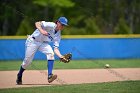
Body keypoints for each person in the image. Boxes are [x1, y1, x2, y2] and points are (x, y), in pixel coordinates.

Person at [16, 17, 68, 84]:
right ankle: (19, 75)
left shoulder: (58, 35)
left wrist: (60, 56)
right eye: (62, 24)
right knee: (27, 62)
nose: (63, 26)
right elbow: (37, 23)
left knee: (51, 53)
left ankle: (50, 76)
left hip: (43, 43)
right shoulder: (51, 25)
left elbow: (56, 48)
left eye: (64, 25)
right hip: (33, 41)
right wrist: (41, 30)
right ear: (58, 22)